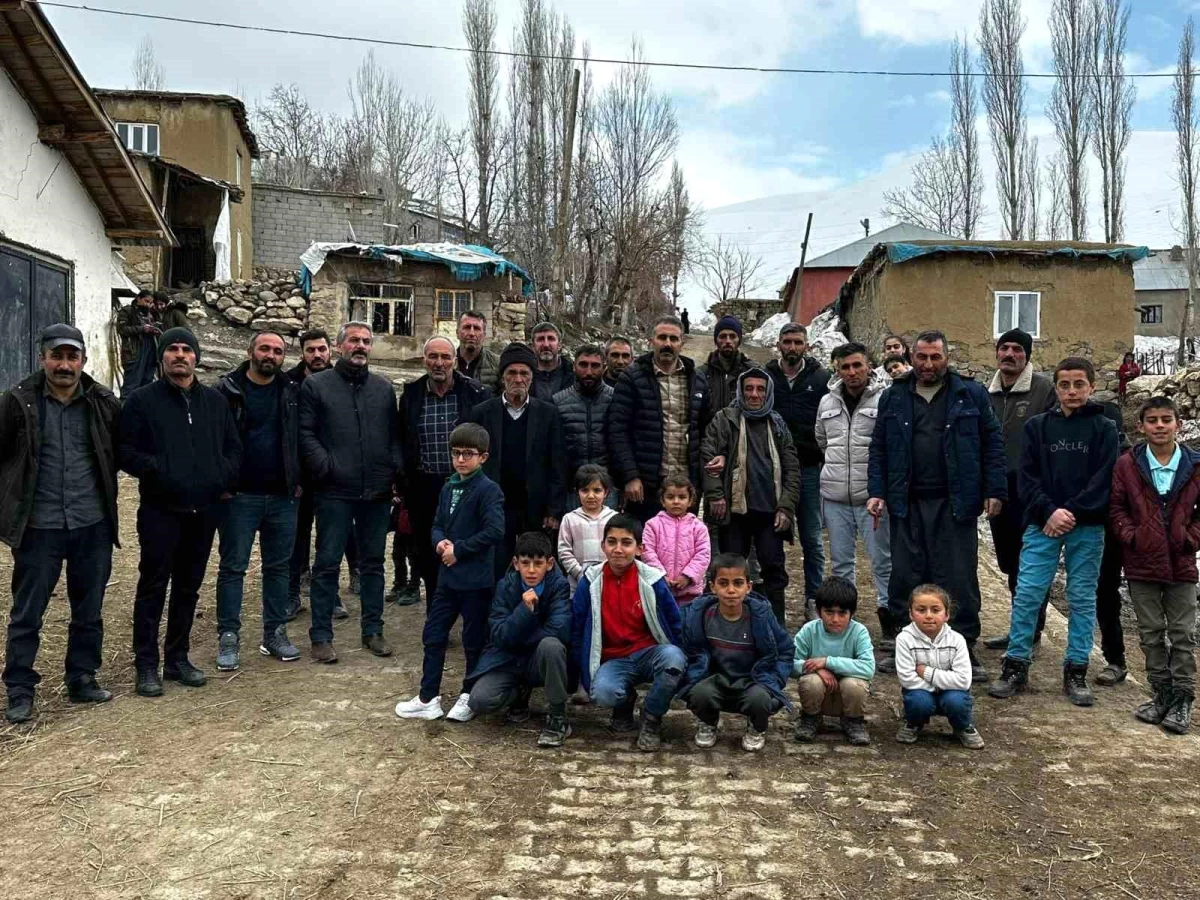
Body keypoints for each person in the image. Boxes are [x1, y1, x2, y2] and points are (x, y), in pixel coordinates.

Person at [868, 330, 1005, 682]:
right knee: (906, 575)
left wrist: (994, 490)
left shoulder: (970, 394)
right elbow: (879, 448)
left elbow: (993, 444)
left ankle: (963, 649)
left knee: (957, 576)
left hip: (955, 502)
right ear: (912, 357)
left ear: (947, 358)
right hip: (906, 501)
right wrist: (877, 490)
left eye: (935, 357)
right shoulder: (894, 396)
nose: (929, 364)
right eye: (922, 357)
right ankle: (906, 646)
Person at [1, 325, 121, 724]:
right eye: (57, 356)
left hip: (92, 523)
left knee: (88, 608)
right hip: (39, 527)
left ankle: (82, 677)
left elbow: (124, 450)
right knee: (27, 612)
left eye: (72, 357)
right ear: (43, 358)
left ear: (83, 360)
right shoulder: (18, 403)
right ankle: (20, 690)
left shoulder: (103, 402)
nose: (64, 365)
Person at [987, 358, 1118, 707]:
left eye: (1079, 384)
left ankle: (1076, 668)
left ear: (1091, 387)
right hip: (1042, 523)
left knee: (1081, 598)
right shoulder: (1037, 427)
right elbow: (1026, 477)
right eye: (1064, 385)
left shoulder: (1103, 428)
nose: (1072, 391)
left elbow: (1104, 480)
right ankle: (1016, 665)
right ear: (1055, 388)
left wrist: (1070, 512)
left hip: (1086, 526)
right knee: (1028, 592)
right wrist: (1049, 511)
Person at [119, 328, 241, 697]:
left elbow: (233, 449)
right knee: (153, 587)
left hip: (203, 512)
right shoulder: (141, 401)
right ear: (162, 358)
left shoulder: (215, 403)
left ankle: (177, 659)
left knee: (188, 588)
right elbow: (125, 450)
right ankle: (146, 665)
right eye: (171, 349)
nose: (179, 355)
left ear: (196, 357)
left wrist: (218, 477)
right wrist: (159, 469)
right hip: (161, 511)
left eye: (187, 349)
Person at [299, 321, 402, 664]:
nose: (360, 346)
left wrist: (391, 469)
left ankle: (373, 630)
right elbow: (306, 434)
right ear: (340, 346)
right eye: (354, 340)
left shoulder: (383, 389)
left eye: (366, 341)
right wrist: (326, 467)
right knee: (327, 564)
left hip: (375, 492)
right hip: (334, 492)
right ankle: (321, 635)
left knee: (373, 564)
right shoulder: (316, 386)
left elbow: (394, 437)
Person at [396, 423, 506, 722]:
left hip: (474, 579)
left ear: (482, 457)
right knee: (434, 635)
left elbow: (494, 531)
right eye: (456, 453)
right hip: (447, 578)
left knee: (473, 639)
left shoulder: (489, 490)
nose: (460, 460)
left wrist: (460, 549)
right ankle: (427, 697)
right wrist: (439, 541)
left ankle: (468, 694)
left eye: (468, 454)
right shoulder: (448, 486)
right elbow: (437, 524)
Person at [213, 332, 302, 671]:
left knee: (278, 567)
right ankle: (229, 636)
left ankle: (274, 633)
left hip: (282, 496)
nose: (271, 355)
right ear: (250, 351)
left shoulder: (292, 392)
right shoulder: (226, 391)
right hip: (239, 496)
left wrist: (299, 482)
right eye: (264, 348)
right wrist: (223, 483)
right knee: (233, 567)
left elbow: (302, 438)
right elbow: (215, 439)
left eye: (278, 351)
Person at [1109, 396, 1199, 735]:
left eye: (1166, 419)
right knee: (1150, 633)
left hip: (1181, 562)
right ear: (1141, 425)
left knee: (1182, 633)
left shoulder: (1195, 465)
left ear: (1178, 423)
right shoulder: (1128, 466)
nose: (1159, 426)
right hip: (1141, 562)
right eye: (1152, 420)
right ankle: (1160, 693)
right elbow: (1116, 507)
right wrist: (1132, 537)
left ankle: (1183, 698)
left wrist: (1190, 539)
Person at [572, 515, 686, 751]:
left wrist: (685, 660)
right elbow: (578, 628)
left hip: (648, 652)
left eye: (626, 542)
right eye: (612, 542)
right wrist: (584, 672)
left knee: (674, 659)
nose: (618, 549)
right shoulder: (590, 581)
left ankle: (652, 716)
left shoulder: (652, 580)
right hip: (613, 659)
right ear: (603, 546)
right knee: (603, 694)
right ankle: (624, 703)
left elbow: (673, 622)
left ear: (640, 548)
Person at [702, 368, 799, 624]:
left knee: (773, 569)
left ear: (767, 393)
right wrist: (715, 496)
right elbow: (709, 456)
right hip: (735, 512)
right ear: (741, 391)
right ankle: (730, 624)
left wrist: (786, 507)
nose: (754, 394)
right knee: (732, 569)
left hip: (770, 512)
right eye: (749, 388)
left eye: (760, 389)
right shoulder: (725, 419)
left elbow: (791, 468)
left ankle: (774, 624)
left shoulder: (777, 424)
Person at [398, 336, 488, 607]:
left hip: (464, 487)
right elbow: (403, 440)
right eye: (433, 357)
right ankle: (436, 611)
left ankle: (464, 612)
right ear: (424, 360)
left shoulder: (475, 394)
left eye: (445, 357)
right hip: (423, 487)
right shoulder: (411, 395)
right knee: (428, 552)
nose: (439, 363)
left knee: (463, 549)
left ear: (455, 360)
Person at [982, 329, 1056, 651]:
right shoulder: (988, 393)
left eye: (1016, 349)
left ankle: (1030, 632)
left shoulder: (1043, 389)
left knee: (1032, 563)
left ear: (1026, 355)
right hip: (1000, 490)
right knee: (1010, 562)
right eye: (1004, 348)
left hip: (1033, 490)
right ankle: (1020, 627)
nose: (1009, 354)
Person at [465, 531, 574, 747]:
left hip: (538, 659)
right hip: (507, 659)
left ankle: (557, 717)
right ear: (516, 564)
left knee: (551, 646)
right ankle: (517, 695)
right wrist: (524, 610)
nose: (531, 570)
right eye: (525, 563)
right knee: (480, 701)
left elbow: (560, 630)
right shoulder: (505, 587)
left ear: (550, 564)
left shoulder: (559, 587)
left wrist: (521, 636)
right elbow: (498, 634)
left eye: (538, 563)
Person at [468, 342, 567, 577]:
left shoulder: (548, 414)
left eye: (525, 373)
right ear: (503, 377)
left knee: (533, 564)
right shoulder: (482, 413)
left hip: (534, 505)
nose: (518, 379)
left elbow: (558, 464)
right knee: (496, 564)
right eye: (512, 372)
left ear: (532, 378)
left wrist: (553, 509)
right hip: (495, 504)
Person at [676, 553, 792, 752]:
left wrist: (776, 679)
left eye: (738, 583)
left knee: (760, 699)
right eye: (723, 583)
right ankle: (708, 722)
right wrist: (692, 676)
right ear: (712, 587)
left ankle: (757, 727)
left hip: (752, 681)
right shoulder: (700, 616)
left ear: (749, 586)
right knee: (699, 693)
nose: (731, 590)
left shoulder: (761, 616)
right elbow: (688, 651)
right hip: (716, 680)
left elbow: (785, 650)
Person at [817, 342, 893, 643]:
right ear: (838, 369)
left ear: (869, 366)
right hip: (835, 497)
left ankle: (888, 619)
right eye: (845, 367)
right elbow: (822, 441)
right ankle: (842, 621)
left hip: (871, 499)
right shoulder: (827, 402)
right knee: (840, 564)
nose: (851, 372)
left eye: (857, 365)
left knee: (882, 561)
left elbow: (890, 446)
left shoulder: (884, 400)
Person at [609, 316, 708, 523]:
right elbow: (617, 430)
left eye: (673, 338)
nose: (667, 344)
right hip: (646, 483)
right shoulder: (632, 378)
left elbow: (703, 427)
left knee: (682, 546)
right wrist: (630, 476)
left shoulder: (696, 379)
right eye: (662, 337)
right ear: (651, 340)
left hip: (684, 482)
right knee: (645, 545)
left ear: (682, 342)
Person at [287, 329, 356, 619]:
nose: (317, 355)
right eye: (311, 350)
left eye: (322, 349)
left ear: (332, 350)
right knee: (295, 538)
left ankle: (330, 595)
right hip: (300, 478)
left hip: (333, 475)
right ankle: (291, 594)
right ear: (302, 353)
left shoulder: (343, 379)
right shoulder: (289, 383)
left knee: (331, 540)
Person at [764, 323, 828, 611]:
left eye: (798, 342)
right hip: (773, 470)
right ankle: (771, 599)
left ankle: (813, 599)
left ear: (807, 345)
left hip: (810, 469)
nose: (792, 347)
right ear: (779, 344)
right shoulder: (767, 376)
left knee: (812, 538)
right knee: (771, 534)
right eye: (787, 341)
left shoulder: (821, 378)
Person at [895, 584, 984, 749]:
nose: (928, 616)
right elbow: (907, 678)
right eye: (921, 610)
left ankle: (963, 726)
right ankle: (914, 722)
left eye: (935, 610)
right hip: (920, 691)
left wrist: (926, 672)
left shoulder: (957, 640)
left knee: (956, 701)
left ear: (947, 614)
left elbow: (964, 680)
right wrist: (940, 686)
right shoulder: (904, 639)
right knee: (919, 701)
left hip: (951, 692)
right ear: (911, 614)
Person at [791, 576, 875, 746]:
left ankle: (853, 721)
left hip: (847, 697)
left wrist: (828, 661)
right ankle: (811, 718)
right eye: (829, 612)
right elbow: (789, 664)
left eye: (842, 613)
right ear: (819, 610)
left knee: (855, 684)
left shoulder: (859, 632)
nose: (835, 619)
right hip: (818, 696)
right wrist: (816, 669)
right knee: (811, 681)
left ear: (852, 613)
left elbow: (868, 668)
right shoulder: (809, 630)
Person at [642, 475, 711, 607]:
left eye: (682, 497)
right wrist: (661, 576)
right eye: (670, 497)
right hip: (659, 590)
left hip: (690, 593)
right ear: (662, 501)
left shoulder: (698, 527)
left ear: (690, 501)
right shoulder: (652, 525)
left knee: (687, 625)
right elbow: (647, 552)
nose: (676, 501)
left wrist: (687, 576)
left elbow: (703, 555)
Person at [552, 344, 614, 486]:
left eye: (595, 366)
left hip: (607, 484)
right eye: (583, 365)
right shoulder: (558, 402)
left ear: (604, 368)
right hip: (571, 485)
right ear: (574, 366)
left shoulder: (616, 399)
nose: (589, 372)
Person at [558, 464, 618, 591]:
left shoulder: (614, 518)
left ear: (606, 492)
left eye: (597, 490)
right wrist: (581, 575)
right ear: (577, 492)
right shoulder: (569, 519)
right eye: (585, 490)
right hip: (578, 586)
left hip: (610, 583)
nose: (591, 496)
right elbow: (564, 552)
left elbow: (618, 549)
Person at [700, 316, 754, 422]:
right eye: (723, 336)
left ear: (739, 340)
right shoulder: (702, 373)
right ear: (716, 340)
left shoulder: (750, 372)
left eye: (733, 336)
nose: (728, 341)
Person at [115, 289, 161, 392]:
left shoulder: (150, 314)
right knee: (131, 385)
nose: (148, 305)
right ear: (138, 299)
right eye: (146, 301)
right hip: (134, 352)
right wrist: (142, 329)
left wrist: (155, 330)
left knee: (147, 384)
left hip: (150, 352)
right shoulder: (127, 311)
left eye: (150, 302)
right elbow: (122, 329)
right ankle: (126, 407)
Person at [455, 310, 499, 394]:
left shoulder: (497, 364)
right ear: (457, 333)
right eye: (467, 327)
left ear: (484, 335)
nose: (472, 333)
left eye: (477, 328)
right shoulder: (447, 363)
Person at [530, 322, 573, 401]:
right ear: (533, 346)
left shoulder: (574, 376)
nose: (546, 344)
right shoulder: (523, 376)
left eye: (551, 339)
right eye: (540, 339)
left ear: (559, 345)